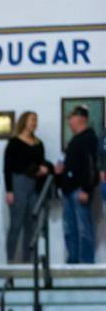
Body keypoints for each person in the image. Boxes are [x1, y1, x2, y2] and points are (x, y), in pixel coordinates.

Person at [4, 112, 51, 263]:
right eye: (32, 120)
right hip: (19, 182)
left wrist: (43, 168)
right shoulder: (14, 142)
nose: (34, 123)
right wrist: (9, 190)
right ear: (24, 121)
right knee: (16, 223)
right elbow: (8, 167)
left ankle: (29, 260)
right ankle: (10, 259)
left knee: (32, 223)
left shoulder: (38, 143)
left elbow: (41, 161)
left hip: (35, 183)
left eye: (36, 120)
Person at [55, 105, 99, 265]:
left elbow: (92, 166)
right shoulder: (74, 140)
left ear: (81, 118)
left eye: (72, 117)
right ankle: (73, 260)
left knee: (83, 229)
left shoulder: (89, 138)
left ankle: (86, 262)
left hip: (79, 190)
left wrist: (87, 189)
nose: (69, 121)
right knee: (70, 229)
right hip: (68, 190)